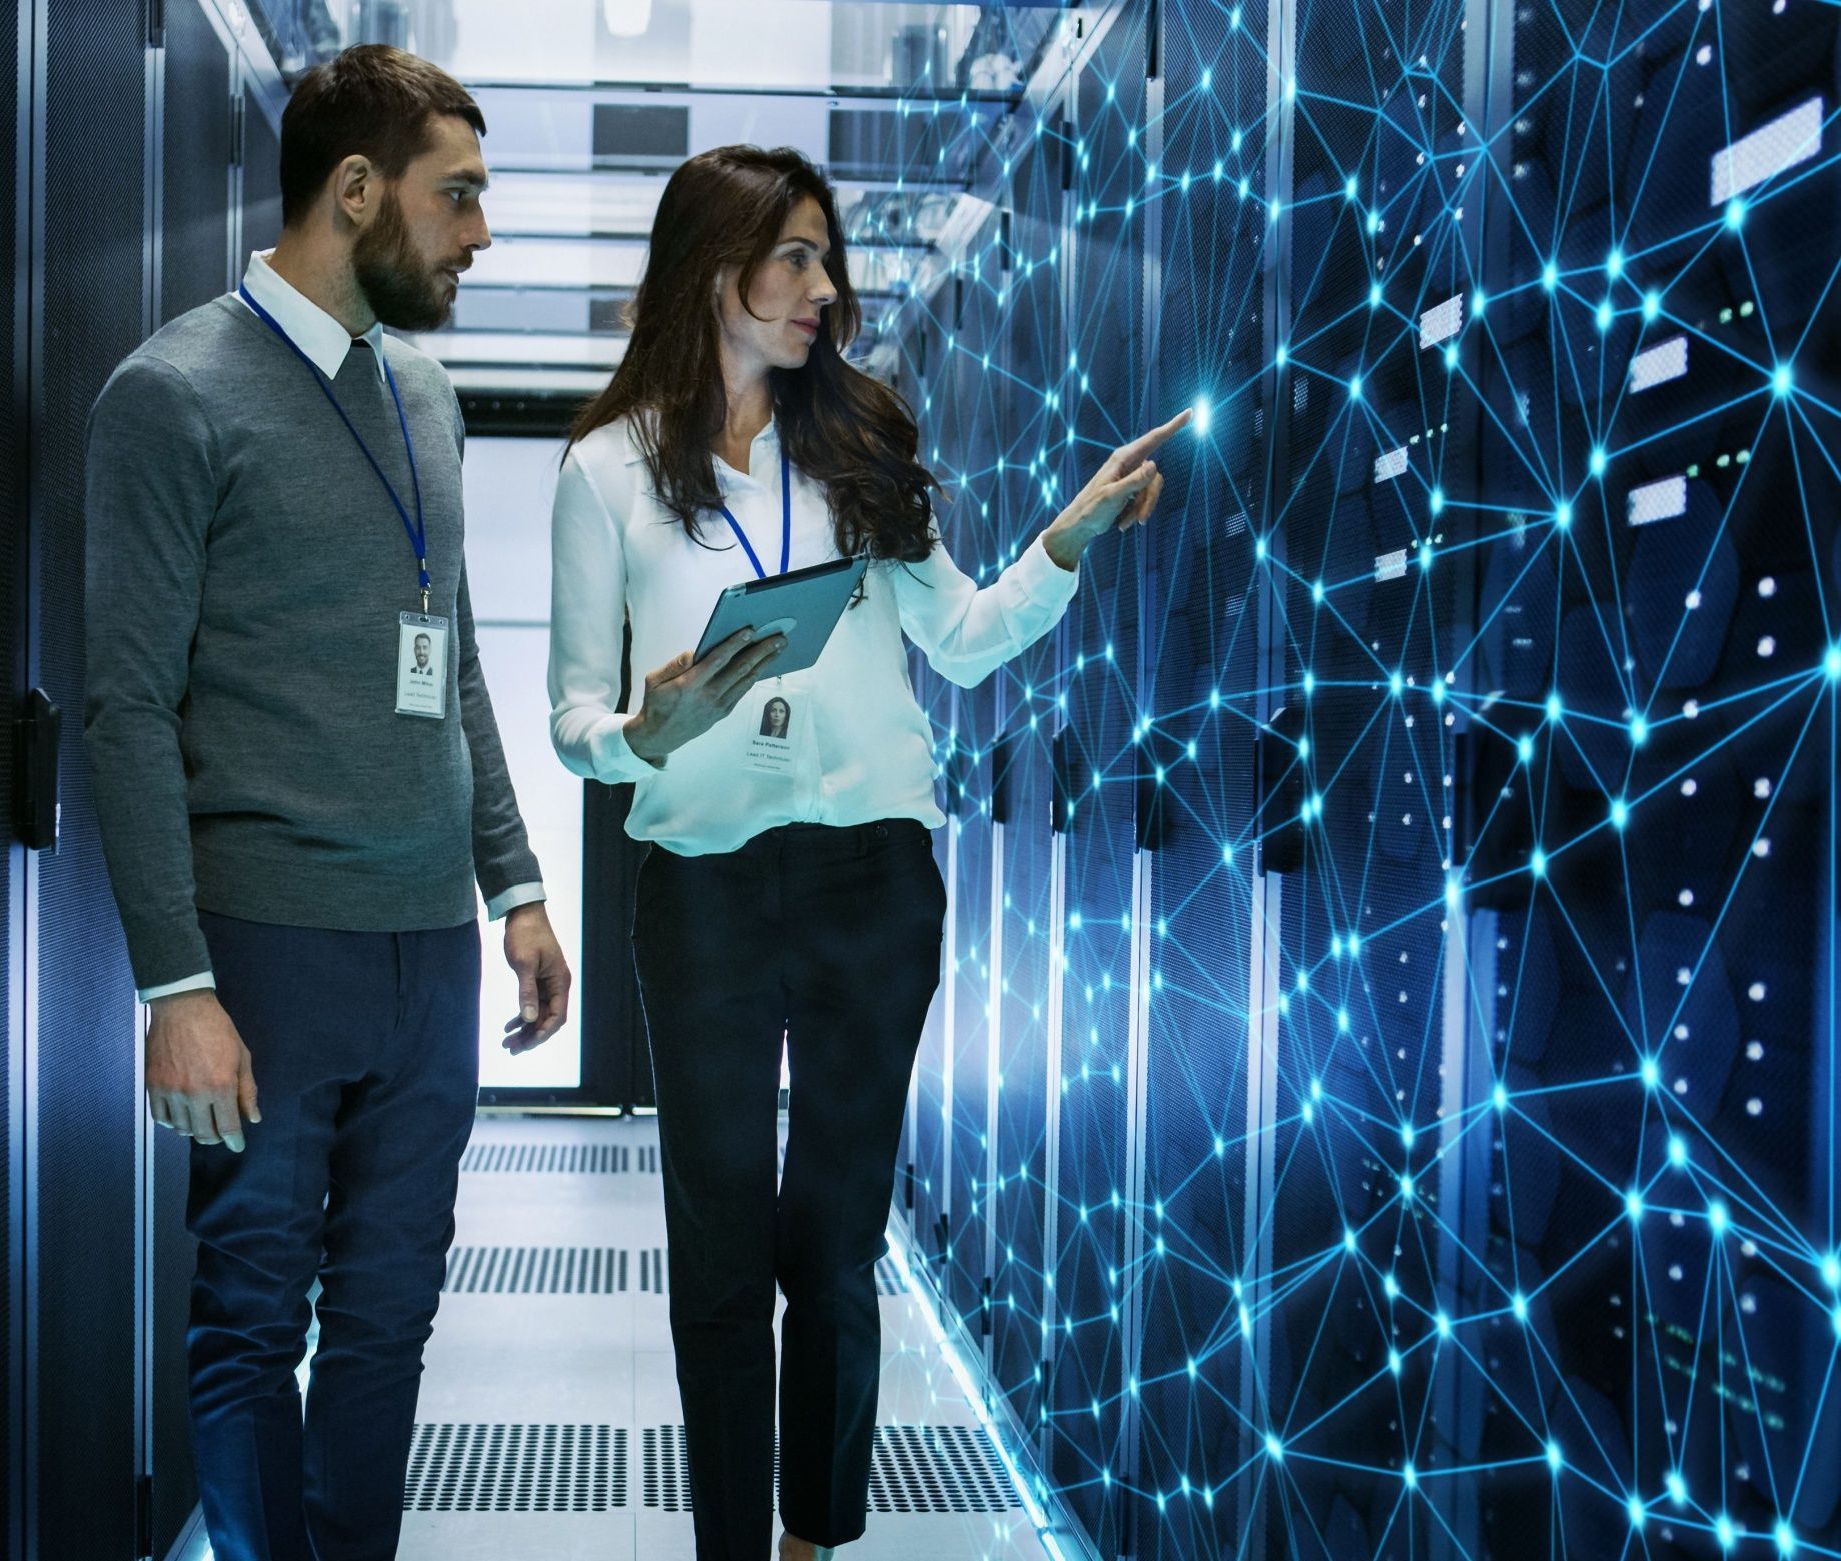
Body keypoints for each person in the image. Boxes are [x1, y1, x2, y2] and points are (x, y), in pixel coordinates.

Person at [547, 143, 1187, 1561]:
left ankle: (813, 1538)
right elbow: (572, 723)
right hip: (699, 892)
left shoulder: (859, 442)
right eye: (795, 259)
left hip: (868, 883)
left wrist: (1064, 542)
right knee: (716, 1254)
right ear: (714, 268)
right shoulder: (603, 472)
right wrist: (644, 728)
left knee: (832, 1246)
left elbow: (958, 640)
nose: (823, 290)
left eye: (827, 261)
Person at [82, 44, 571, 1561]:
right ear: (354, 191)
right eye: (459, 197)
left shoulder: (422, 396)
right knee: (248, 1313)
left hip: (427, 948)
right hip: (266, 951)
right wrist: (178, 984)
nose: (481, 234)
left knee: (386, 1321)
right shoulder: (170, 396)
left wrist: (517, 886)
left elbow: (457, 667)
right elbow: (124, 708)